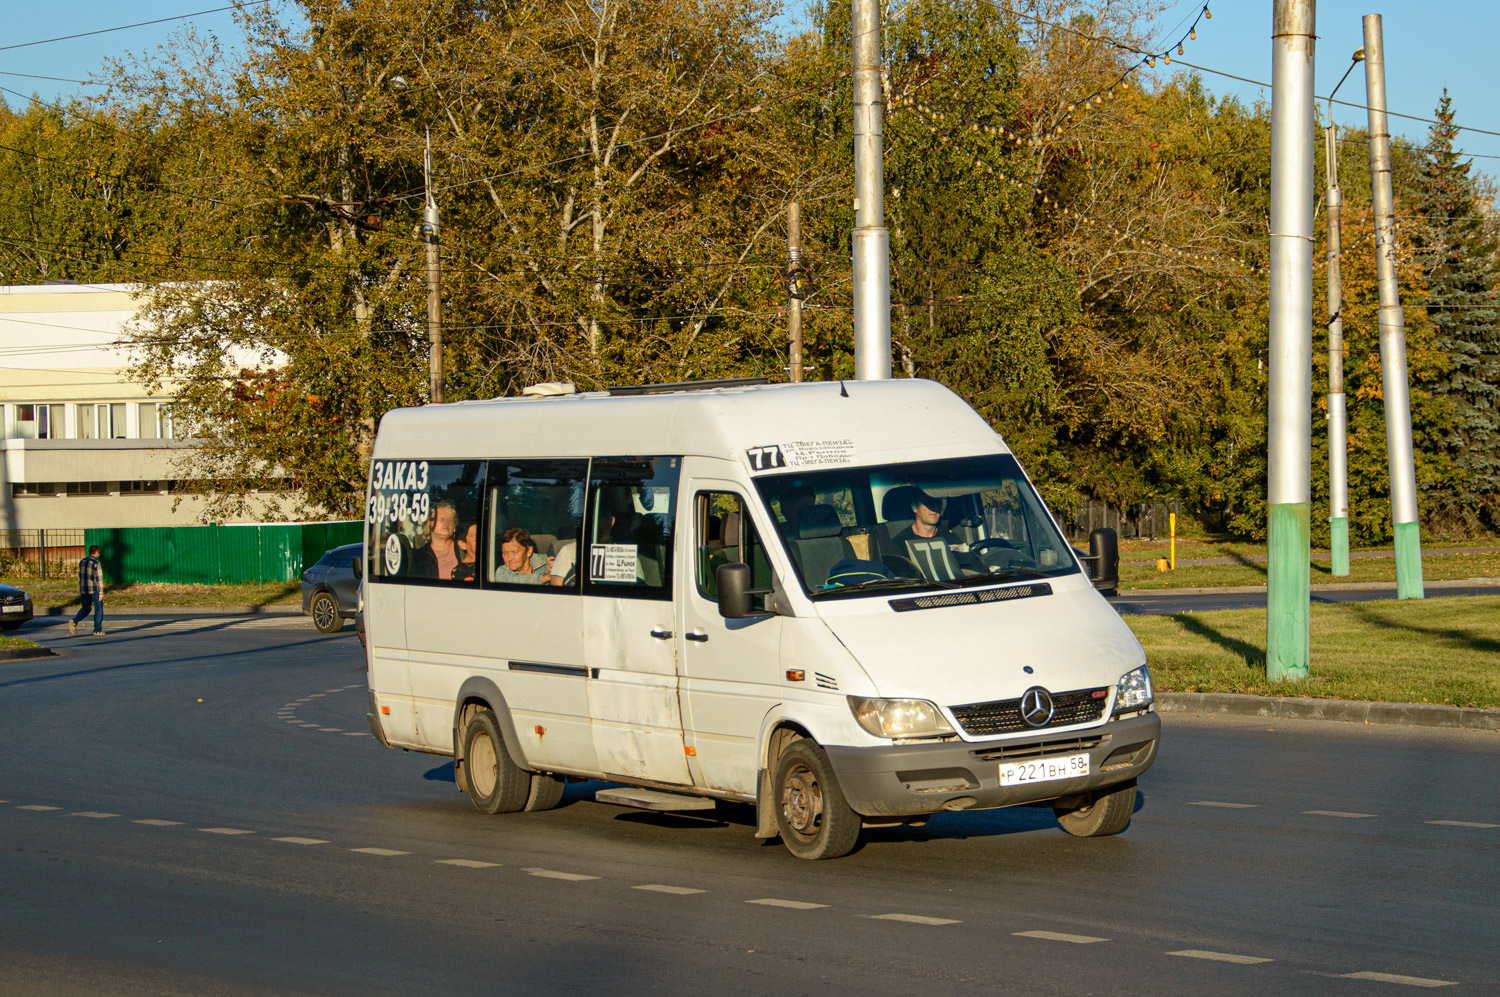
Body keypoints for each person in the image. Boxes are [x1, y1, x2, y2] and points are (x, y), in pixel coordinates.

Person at [886, 489, 973, 581]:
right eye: (928, 503)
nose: (935, 507)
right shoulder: (899, 544)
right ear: (915, 508)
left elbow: (970, 570)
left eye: (937, 502)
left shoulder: (951, 539)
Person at [411, 501, 461, 580]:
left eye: (450, 520)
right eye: (441, 519)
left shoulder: (464, 548)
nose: (446, 523)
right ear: (429, 523)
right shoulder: (420, 556)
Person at [69, 544, 106, 636]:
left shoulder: (82, 561)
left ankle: (74, 620)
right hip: (94, 590)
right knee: (98, 609)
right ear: (97, 552)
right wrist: (101, 592)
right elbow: (98, 578)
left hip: (84, 589)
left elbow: (80, 576)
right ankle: (97, 629)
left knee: (86, 608)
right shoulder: (96, 563)